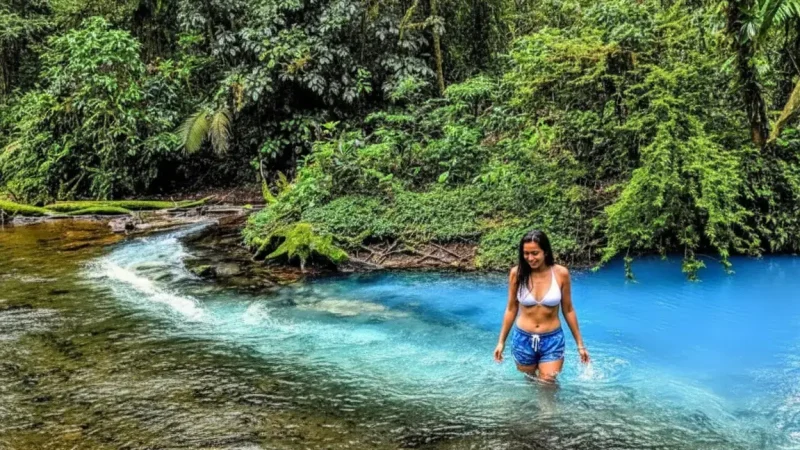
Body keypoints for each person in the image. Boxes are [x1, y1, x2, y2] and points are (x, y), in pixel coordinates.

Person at [493, 230, 589, 382]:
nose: (530, 258)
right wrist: (501, 342)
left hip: (552, 339)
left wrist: (580, 345)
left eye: (535, 253)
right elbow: (511, 309)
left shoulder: (560, 273)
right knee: (529, 382)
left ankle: (550, 407)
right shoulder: (516, 274)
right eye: (526, 253)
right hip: (523, 338)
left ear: (545, 252)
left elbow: (568, 309)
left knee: (548, 383)